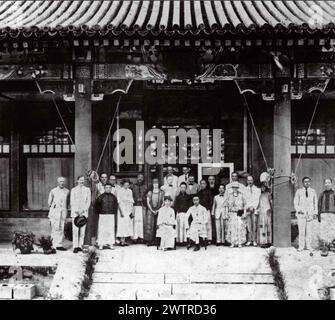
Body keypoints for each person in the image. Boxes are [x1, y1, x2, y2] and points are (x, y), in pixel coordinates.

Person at [293, 177, 318, 252]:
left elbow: (315, 203)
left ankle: (309, 246)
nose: (307, 183)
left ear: (310, 182)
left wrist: (315, 213)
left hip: (310, 214)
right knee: (301, 231)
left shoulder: (313, 191)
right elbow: (295, 202)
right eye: (305, 181)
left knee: (309, 231)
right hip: (301, 214)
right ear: (303, 183)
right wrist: (298, 210)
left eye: (308, 181)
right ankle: (301, 246)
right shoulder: (299, 191)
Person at [47, 177, 70, 251]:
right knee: (54, 228)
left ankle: (59, 244)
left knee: (61, 228)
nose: (62, 183)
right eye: (60, 181)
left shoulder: (67, 191)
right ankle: (53, 245)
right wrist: (55, 208)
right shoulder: (53, 191)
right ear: (58, 182)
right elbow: (49, 202)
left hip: (63, 212)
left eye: (63, 181)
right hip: (55, 213)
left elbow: (68, 202)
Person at [70, 175, 91, 253]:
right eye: (80, 180)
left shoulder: (87, 190)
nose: (82, 181)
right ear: (77, 180)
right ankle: (75, 246)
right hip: (75, 213)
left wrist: (83, 210)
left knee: (82, 231)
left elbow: (88, 201)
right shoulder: (73, 190)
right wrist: (77, 211)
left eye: (83, 180)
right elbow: (72, 202)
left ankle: (80, 246)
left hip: (84, 213)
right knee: (75, 231)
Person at [94, 183, 118, 250]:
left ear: (111, 189)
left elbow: (115, 206)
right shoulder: (100, 197)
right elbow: (96, 206)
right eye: (106, 187)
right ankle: (101, 244)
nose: (108, 189)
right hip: (102, 215)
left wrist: (113, 213)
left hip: (111, 215)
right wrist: (100, 213)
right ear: (104, 188)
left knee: (110, 229)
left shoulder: (114, 197)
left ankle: (110, 244)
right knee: (102, 229)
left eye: (109, 188)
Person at [225, 181, 247, 248]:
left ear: (238, 188)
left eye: (236, 187)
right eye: (234, 187)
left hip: (239, 212)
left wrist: (244, 213)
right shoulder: (229, 195)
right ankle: (233, 242)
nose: (235, 188)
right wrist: (227, 213)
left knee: (239, 227)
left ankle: (240, 242)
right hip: (232, 213)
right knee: (232, 228)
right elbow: (227, 205)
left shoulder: (241, 195)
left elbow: (245, 204)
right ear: (232, 188)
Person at [145, 178, 165, 246]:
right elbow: (148, 202)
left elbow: (163, 202)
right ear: (153, 184)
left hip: (159, 211)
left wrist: (159, 210)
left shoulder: (162, 192)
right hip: (151, 211)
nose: (155, 185)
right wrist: (152, 210)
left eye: (157, 184)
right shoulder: (150, 192)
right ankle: (150, 240)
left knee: (158, 225)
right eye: (154, 184)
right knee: (150, 226)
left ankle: (157, 241)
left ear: (158, 184)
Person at [116, 179, 134, 246]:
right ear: (123, 184)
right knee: (121, 224)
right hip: (122, 209)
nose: (126, 185)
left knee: (127, 224)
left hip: (128, 209)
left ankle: (124, 240)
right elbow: (118, 201)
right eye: (125, 184)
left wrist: (132, 211)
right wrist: (120, 211)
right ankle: (121, 240)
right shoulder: (119, 191)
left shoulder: (130, 191)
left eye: (128, 184)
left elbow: (131, 201)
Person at [318, 178, 335, 248]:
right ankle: (324, 244)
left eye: (329, 183)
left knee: (331, 228)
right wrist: (319, 214)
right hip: (323, 214)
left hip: (332, 214)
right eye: (326, 183)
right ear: (324, 184)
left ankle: (331, 244)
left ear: (331, 184)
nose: (327, 184)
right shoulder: (322, 194)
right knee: (324, 229)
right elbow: (319, 205)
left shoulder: (334, 193)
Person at [244, 175, 261, 246]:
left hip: (254, 209)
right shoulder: (244, 189)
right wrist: (248, 207)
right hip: (248, 209)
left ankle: (254, 240)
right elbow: (245, 199)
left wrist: (253, 207)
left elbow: (257, 199)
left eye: (251, 180)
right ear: (247, 181)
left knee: (254, 224)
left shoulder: (257, 189)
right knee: (248, 225)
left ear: (253, 181)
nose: (250, 182)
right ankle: (249, 240)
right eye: (248, 180)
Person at [131, 174, 147, 243]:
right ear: (137, 178)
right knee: (135, 222)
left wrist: (143, 199)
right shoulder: (133, 186)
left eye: (141, 177)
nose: (140, 179)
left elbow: (147, 197)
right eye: (139, 177)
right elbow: (130, 196)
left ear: (143, 179)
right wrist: (135, 199)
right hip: (134, 206)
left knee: (142, 222)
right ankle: (134, 238)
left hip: (142, 206)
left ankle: (142, 238)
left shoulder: (145, 187)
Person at [257, 183, 272, 248]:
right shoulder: (260, 195)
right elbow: (259, 204)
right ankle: (263, 242)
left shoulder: (268, 194)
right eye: (261, 187)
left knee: (268, 226)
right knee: (262, 226)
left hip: (267, 211)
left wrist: (270, 209)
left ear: (266, 188)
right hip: (261, 212)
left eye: (263, 187)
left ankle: (268, 242)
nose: (262, 188)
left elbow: (271, 202)